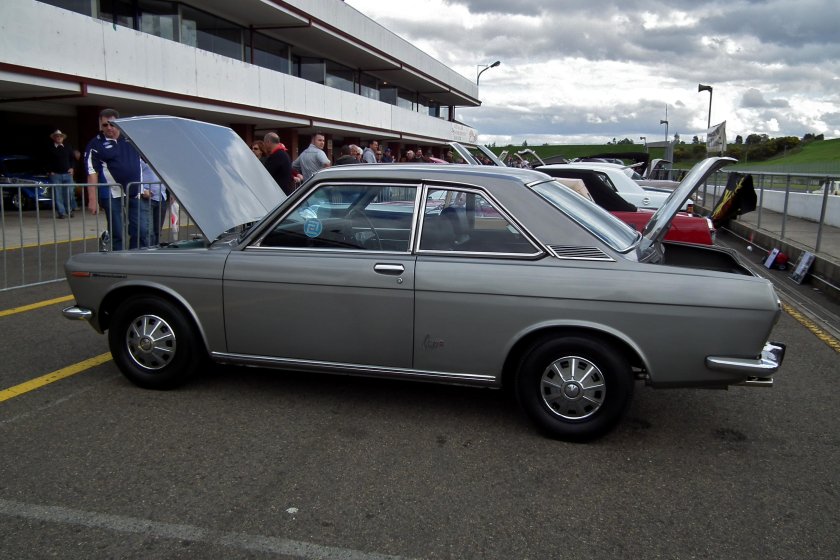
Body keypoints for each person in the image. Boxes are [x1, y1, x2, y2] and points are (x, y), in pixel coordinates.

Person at [85, 108, 149, 250]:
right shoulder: (95, 144)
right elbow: (92, 172)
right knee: (117, 231)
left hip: (135, 192)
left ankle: (137, 256)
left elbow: (148, 160)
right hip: (112, 194)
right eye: (105, 125)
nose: (109, 128)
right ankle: (118, 257)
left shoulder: (131, 139)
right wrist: (92, 199)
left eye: (112, 124)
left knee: (141, 230)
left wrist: (146, 187)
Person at [45, 130, 75, 218]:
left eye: (60, 136)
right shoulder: (50, 148)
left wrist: (72, 168)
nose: (59, 138)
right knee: (58, 194)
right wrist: (50, 171)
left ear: (63, 138)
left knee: (69, 193)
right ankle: (61, 212)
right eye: (57, 136)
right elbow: (46, 161)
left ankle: (69, 210)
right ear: (54, 138)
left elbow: (72, 159)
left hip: (67, 174)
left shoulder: (68, 147)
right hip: (56, 175)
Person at [141, 159, 167, 245]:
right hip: (147, 197)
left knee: (157, 230)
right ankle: (148, 250)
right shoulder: (141, 159)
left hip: (162, 196)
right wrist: (142, 190)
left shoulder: (163, 158)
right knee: (148, 231)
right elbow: (136, 174)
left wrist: (171, 192)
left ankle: (155, 248)